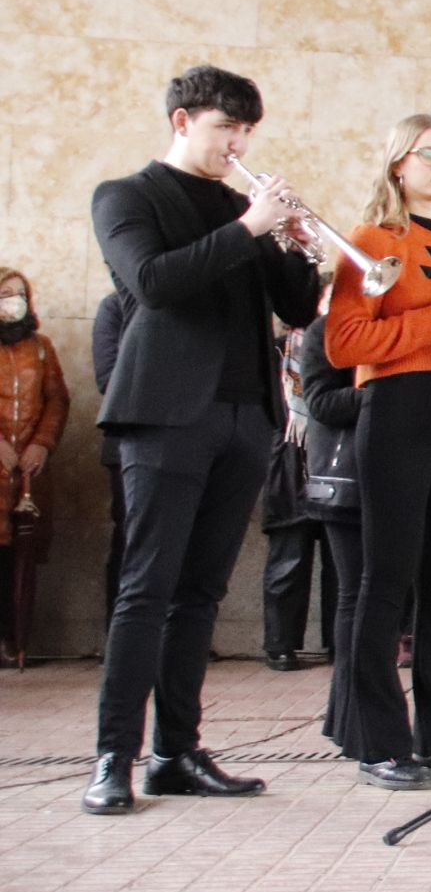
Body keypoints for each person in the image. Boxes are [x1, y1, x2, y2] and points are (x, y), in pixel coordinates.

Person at [84, 65, 322, 815]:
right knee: (145, 590)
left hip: (244, 415)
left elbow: (294, 309)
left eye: (247, 130)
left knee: (201, 594)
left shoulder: (237, 206)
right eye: (226, 127)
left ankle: (177, 753)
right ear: (183, 121)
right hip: (163, 415)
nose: (238, 143)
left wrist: (294, 246)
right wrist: (248, 227)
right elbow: (151, 283)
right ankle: (112, 759)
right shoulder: (127, 197)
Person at [323, 115, 431, 790]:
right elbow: (344, 344)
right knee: (387, 578)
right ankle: (379, 742)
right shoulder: (371, 241)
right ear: (399, 163)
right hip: (395, 407)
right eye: (430, 154)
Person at [296, 306, 366, 753]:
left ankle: (349, 716)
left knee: (377, 600)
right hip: (345, 480)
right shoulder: (326, 328)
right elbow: (320, 402)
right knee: (355, 595)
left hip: (388, 473)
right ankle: (349, 717)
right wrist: (387, 390)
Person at [0, 267, 68, 662]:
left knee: (20, 561)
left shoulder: (41, 347)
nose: (14, 301)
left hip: (27, 475)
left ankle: (16, 641)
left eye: (19, 293)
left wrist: (42, 444)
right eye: (5, 293)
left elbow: (57, 400)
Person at [258, 321, 331, 671]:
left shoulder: (344, 341)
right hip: (286, 458)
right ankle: (280, 644)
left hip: (332, 454)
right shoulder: (275, 349)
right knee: (289, 553)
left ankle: (338, 641)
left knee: (339, 560)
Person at [92, 290, 128, 616]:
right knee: (130, 540)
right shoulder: (114, 307)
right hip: (128, 444)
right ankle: (119, 635)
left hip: (189, 440)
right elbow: (108, 377)